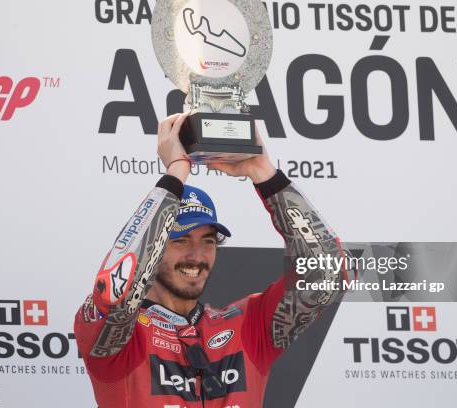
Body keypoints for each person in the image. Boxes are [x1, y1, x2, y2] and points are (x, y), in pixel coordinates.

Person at [74, 112, 347, 408]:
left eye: (208, 241)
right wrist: (175, 172)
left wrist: (264, 173)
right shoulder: (123, 337)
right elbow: (115, 292)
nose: (197, 255)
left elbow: (330, 275)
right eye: (180, 240)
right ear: (154, 248)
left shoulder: (247, 327)